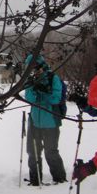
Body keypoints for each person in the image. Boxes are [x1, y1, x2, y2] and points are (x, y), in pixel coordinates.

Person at [23, 54, 67, 185]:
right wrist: (33, 88)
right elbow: (29, 99)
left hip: (51, 122)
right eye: (31, 68)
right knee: (33, 152)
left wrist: (42, 92)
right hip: (35, 121)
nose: (34, 71)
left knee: (51, 152)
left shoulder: (53, 78)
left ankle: (59, 179)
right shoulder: (31, 80)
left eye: (36, 67)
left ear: (41, 65)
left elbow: (56, 98)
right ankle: (35, 180)